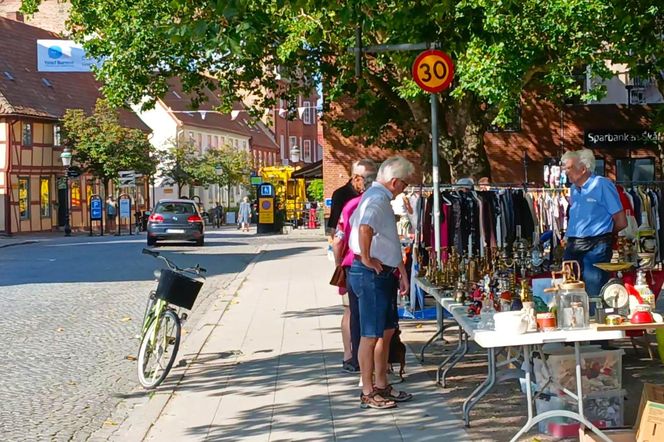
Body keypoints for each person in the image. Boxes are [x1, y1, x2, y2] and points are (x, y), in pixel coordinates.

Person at [348, 156, 414, 409]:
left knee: (385, 332)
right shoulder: (377, 199)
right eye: (405, 184)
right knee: (371, 334)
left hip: (382, 272)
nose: (405, 189)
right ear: (395, 182)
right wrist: (366, 258)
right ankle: (367, 389)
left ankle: (381, 384)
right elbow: (365, 228)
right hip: (371, 274)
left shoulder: (378, 198)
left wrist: (400, 271)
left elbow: (385, 240)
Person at [332, 158, 378, 374]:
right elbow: (336, 235)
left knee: (360, 312)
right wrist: (338, 264)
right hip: (351, 262)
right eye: (366, 178)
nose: (368, 182)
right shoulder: (344, 197)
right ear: (355, 177)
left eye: (372, 177)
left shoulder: (370, 200)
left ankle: (363, 359)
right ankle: (349, 355)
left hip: (355, 262)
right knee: (351, 310)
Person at [561, 149, 627, 297]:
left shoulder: (602, 185)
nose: (566, 172)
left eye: (569, 168)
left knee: (594, 291)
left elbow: (621, 221)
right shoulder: (573, 189)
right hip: (573, 245)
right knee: (570, 292)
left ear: (583, 168)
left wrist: (604, 235)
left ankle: (594, 319)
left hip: (596, 245)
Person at [327, 159, 377, 239]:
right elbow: (334, 221)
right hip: (348, 241)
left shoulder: (370, 193)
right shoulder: (340, 193)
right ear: (356, 178)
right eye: (369, 178)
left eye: (375, 177)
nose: (373, 182)